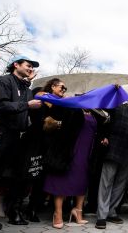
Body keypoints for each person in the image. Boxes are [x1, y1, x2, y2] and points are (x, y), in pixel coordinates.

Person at [42, 83, 107, 229]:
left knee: (81, 181)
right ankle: (57, 213)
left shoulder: (94, 113)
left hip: (87, 152)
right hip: (70, 149)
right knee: (62, 179)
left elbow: (102, 125)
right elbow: (56, 114)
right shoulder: (72, 108)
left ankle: (78, 211)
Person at [0, 55, 41, 226]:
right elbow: (1, 106)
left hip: (18, 137)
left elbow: (24, 103)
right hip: (2, 133)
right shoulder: (3, 82)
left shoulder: (25, 87)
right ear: (15, 64)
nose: (30, 69)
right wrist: (27, 105)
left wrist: (28, 85)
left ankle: (11, 209)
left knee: (15, 175)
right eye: (28, 65)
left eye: (32, 67)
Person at [95, 91, 128, 229]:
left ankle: (112, 211)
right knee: (106, 183)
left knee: (120, 185)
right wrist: (114, 91)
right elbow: (102, 111)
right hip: (113, 150)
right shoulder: (118, 107)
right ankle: (101, 216)